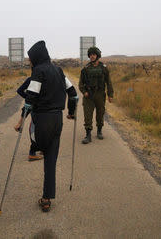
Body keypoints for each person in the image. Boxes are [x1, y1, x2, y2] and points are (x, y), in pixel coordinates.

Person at [23, 40, 77, 212]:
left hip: (42, 119)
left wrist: (21, 119)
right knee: (51, 160)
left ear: (36, 57)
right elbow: (73, 94)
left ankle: (35, 150)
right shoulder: (59, 70)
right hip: (57, 120)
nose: (29, 62)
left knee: (39, 144)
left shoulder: (38, 71)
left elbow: (30, 97)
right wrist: (71, 112)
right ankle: (46, 198)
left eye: (30, 59)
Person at [79, 46, 114, 144]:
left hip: (100, 94)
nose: (92, 56)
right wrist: (84, 92)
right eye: (90, 55)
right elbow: (81, 83)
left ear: (97, 55)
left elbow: (109, 82)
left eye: (94, 54)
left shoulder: (103, 68)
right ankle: (88, 134)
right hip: (88, 95)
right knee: (87, 115)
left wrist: (110, 95)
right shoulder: (85, 69)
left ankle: (99, 131)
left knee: (100, 113)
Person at [14, 76, 43, 161]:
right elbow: (20, 91)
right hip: (39, 108)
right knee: (35, 129)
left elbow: (20, 91)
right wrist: (30, 98)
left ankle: (41, 148)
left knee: (40, 128)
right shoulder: (36, 79)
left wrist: (28, 97)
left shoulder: (31, 79)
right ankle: (32, 153)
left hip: (36, 107)